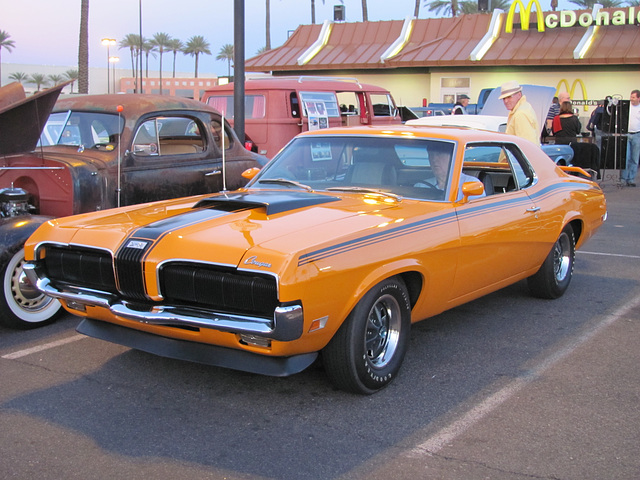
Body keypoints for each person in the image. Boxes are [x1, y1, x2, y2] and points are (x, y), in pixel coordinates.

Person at [415, 142, 486, 201]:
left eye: (439, 154)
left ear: (452, 157)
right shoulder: (421, 186)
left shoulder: (471, 184)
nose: (434, 159)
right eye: (431, 155)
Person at [500, 81, 539, 145]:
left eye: (509, 97)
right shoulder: (524, 107)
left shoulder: (520, 114)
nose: (506, 101)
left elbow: (526, 145)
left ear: (519, 95)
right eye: (504, 98)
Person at [622, 89, 640, 187]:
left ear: (638, 98)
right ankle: (623, 178)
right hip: (626, 134)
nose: (631, 99)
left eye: (633, 97)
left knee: (634, 158)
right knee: (625, 158)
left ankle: (631, 179)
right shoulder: (627, 107)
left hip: (637, 135)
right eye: (631, 97)